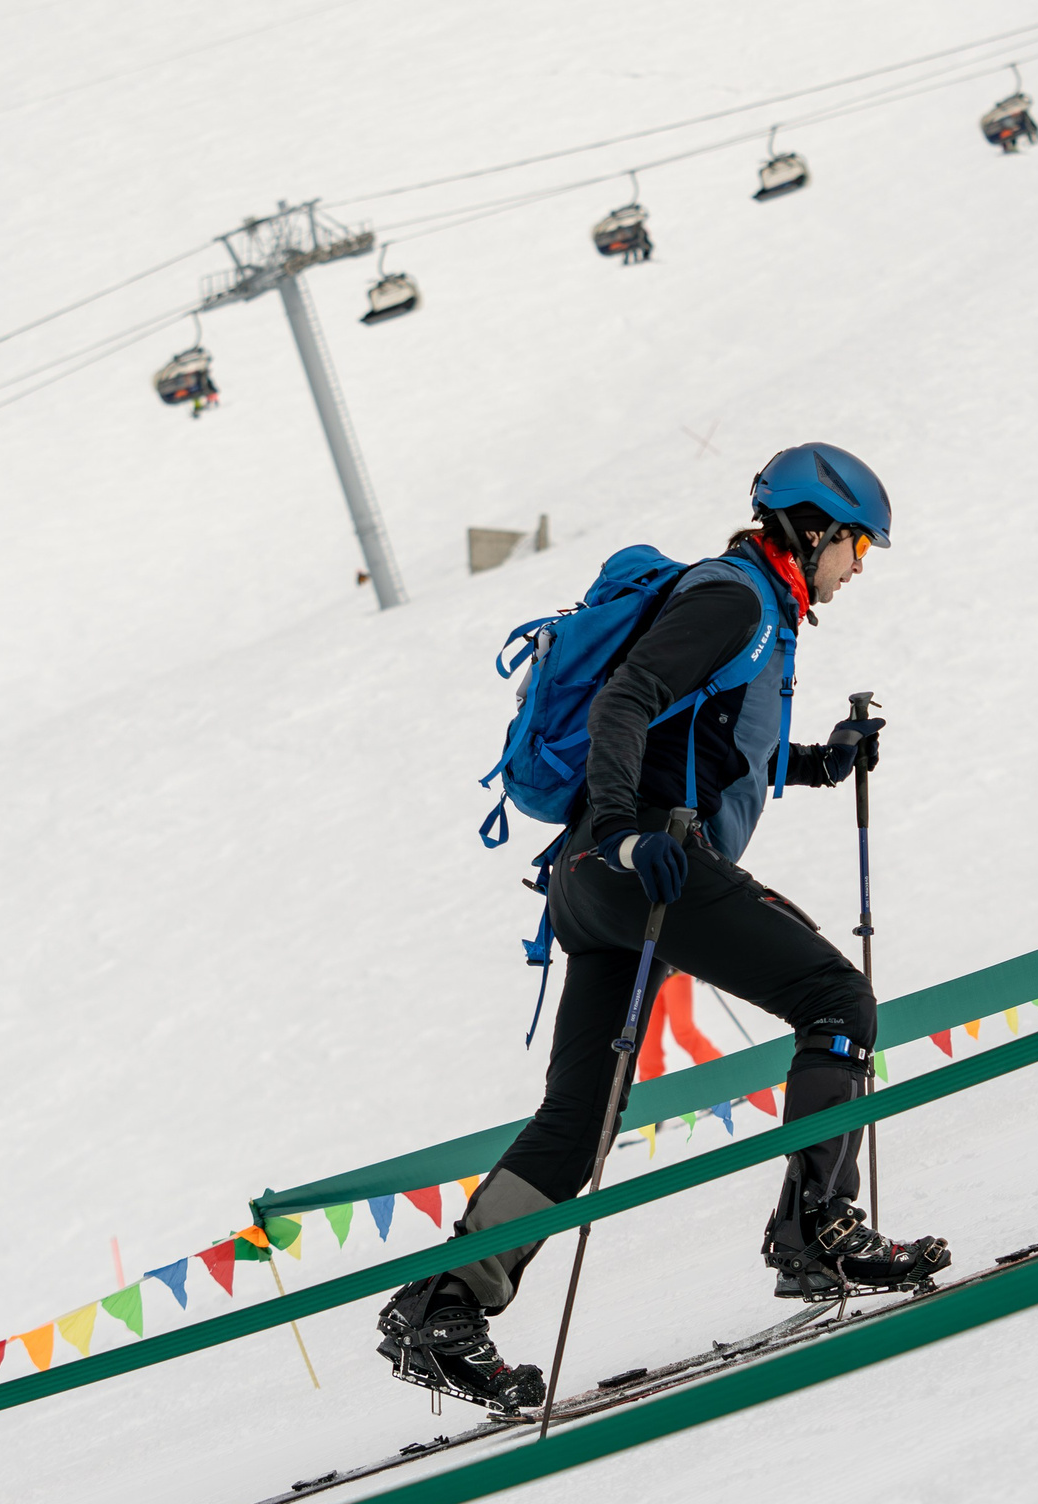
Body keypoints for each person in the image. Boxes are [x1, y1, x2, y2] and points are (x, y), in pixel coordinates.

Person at [377, 444, 951, 1411]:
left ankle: (439, 1310)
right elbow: (625, 702)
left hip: (595, 882)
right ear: (812, 531)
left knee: (580, 1119)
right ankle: (818, 1231)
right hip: (640, 867)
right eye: (857, 546)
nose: (859, 568)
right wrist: (622, 833)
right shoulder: (733, 600)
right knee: (836, 1000)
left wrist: (821, 762)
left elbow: (713, 750)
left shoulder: (762, 615)